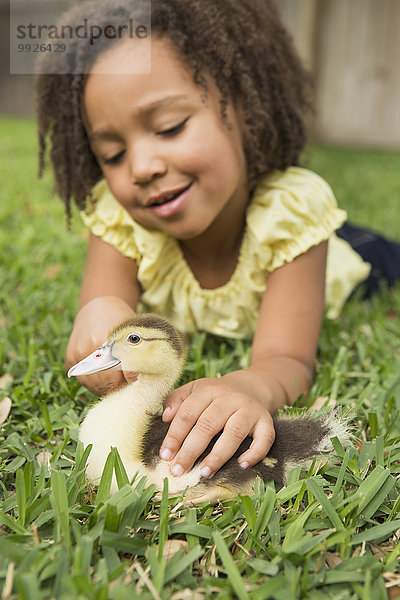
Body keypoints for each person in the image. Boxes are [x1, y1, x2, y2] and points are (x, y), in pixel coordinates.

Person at [35, 0, 400, 483]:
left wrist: (246, 385)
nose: (142, 167)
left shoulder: (291, 218)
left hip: (349, 259)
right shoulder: (122, 217)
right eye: (114, 153)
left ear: (245, 109)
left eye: (169, 127)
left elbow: (286, 359)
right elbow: (106, 349)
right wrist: (97, 318)